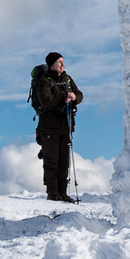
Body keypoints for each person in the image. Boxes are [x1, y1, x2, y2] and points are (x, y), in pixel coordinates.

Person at [32, 52, 81, 202]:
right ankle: (52, 192)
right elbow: (46, 101)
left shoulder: (67, 79)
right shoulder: (44, 80)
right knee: (51, 160)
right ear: (52, 64)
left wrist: (74, 97)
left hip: (65, 127)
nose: (62, 65)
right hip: (48, 127)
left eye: (63, 62)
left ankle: (63, 192)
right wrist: (64, 97)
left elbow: (79, 95)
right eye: (59, 62)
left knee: (63, 162)